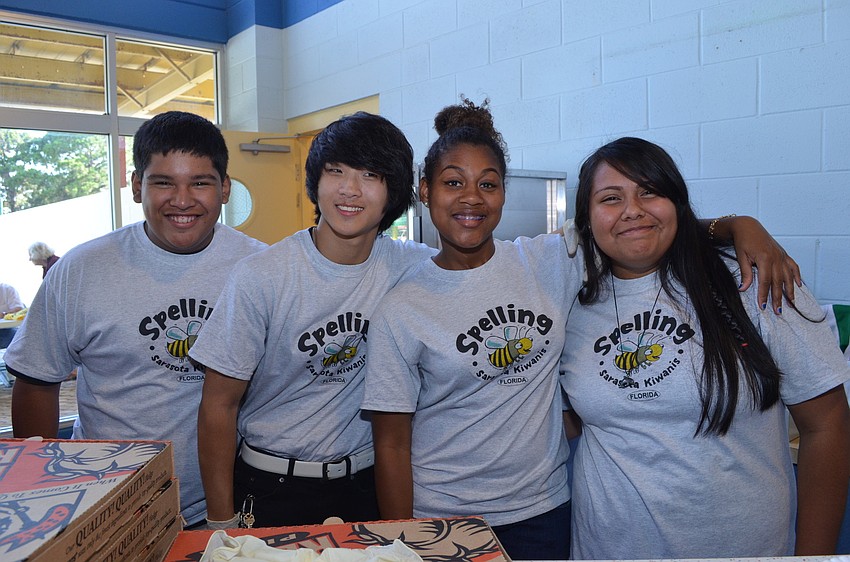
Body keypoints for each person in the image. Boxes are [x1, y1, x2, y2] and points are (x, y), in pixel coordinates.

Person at [360, 101, 800, 560]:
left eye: (487, 184)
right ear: (425, 191)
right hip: (443, 516)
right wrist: (404, 540)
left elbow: (643, 225)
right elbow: (391, 443)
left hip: (545, 508)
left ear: (503, 193)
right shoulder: (403, 307)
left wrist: (737, 225)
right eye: (453, 183)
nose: (472, 198)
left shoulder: (552, 261)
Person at [560, 137, 850, 559]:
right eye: (610, 198)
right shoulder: (573, 297)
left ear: (676, 202)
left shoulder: (752, 280)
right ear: (586, 219)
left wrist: (814, 558)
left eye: (650, 191)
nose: (632, 209)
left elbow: (828, 425)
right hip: (606, 550)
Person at [6, 111, 267, 528]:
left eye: (200, 182)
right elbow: (37, 380)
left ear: (225, 190)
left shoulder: (260, 268)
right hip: (101, 504)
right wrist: (40, 491)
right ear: (136, 187)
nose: (182, 200)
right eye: (163, 182)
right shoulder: (81, 269)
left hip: (223, 505)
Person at [189, 112, 436, 529]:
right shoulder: (263, 275)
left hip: (366, 484)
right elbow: (218, 404)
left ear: (393, 192)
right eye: (335, 171)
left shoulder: (412, 267)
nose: (349, 190)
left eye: (370, 175)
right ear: (315, 183)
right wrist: (220, 521)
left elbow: (478, 269)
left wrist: (561, 248)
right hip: (270, 485)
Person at [0, 282, 25, 348]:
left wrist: (3, 314)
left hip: (6, 330)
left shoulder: (7, 289)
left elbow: (19, 309)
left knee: (17, 338)